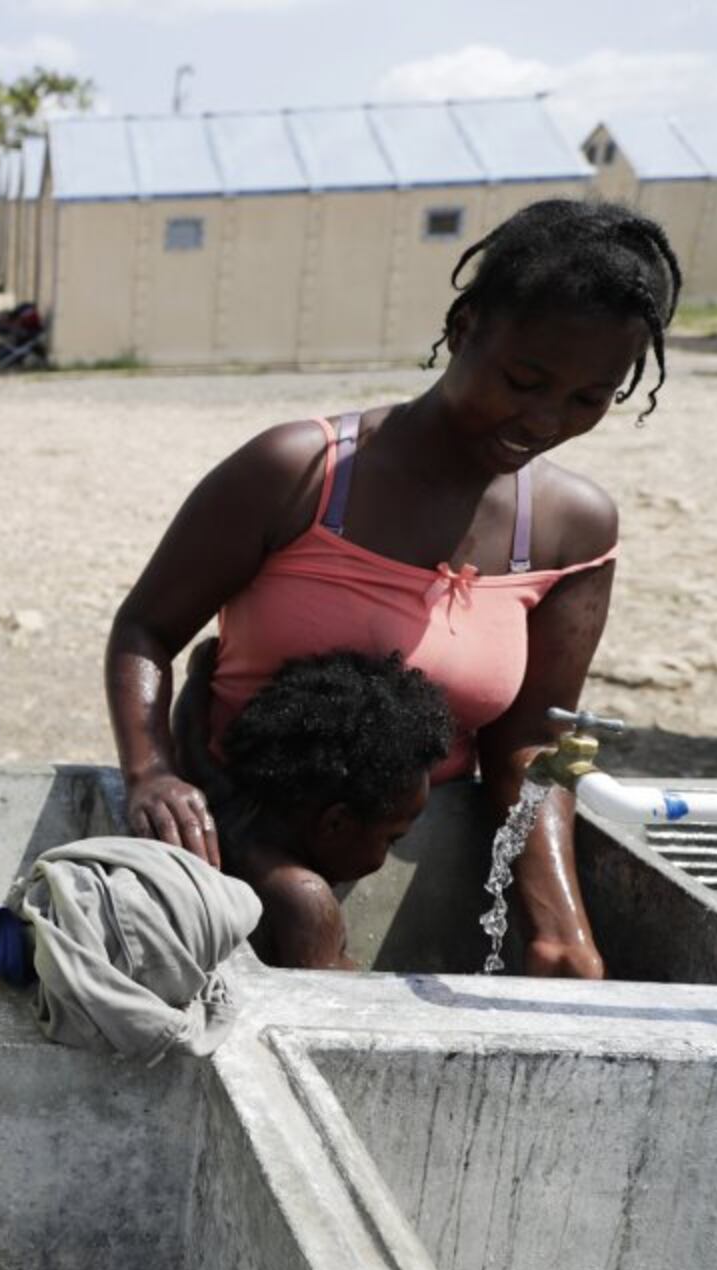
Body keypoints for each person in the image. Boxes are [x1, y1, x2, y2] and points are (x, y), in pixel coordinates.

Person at [106, 198, 683, 980]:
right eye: (524, 379)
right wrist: (153, 774)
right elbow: (146, 629)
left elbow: (529, 742)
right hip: (236, 830)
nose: (545, 418)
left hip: (400, 847)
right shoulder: (300, 474)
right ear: (464, 327)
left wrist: (558, 923)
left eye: (589, 399)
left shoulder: (571, 530)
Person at [181, 646, 452, 969]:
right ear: (336, 823)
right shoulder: (305, 900)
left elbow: (188, 736)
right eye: (391, 839)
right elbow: (326, 1010)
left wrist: (200, 672)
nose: (386, 856)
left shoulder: (222, 801)